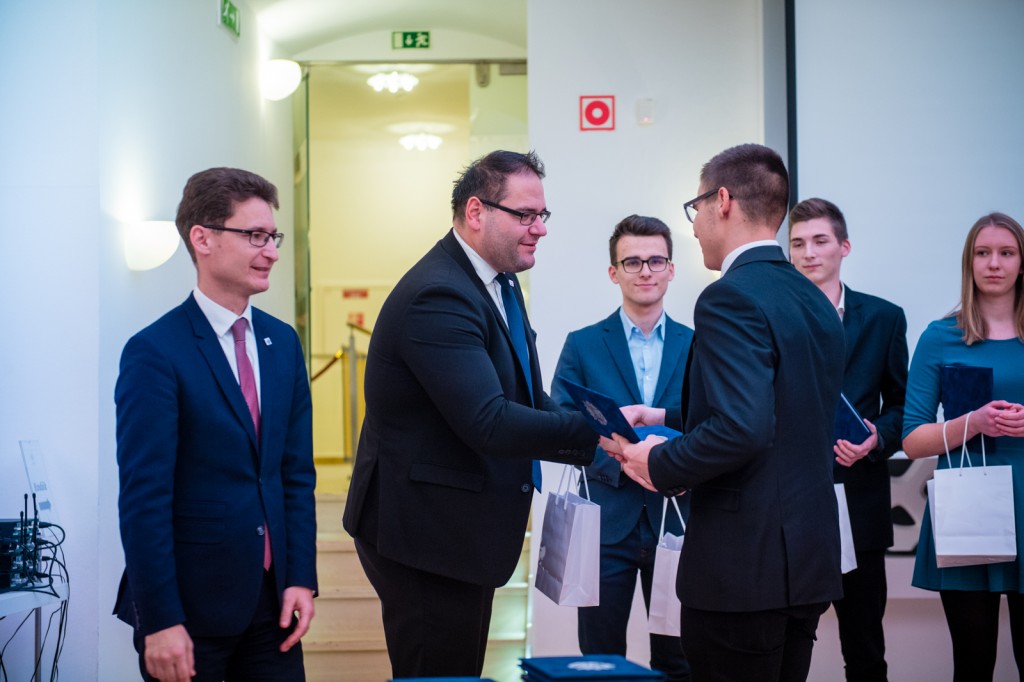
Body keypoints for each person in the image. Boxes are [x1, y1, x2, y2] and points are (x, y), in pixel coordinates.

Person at [342, 149, 597, 679]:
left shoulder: (500, 281)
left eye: (542, 215)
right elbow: (490, 421)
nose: (540, 229)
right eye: (525, 215)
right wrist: (594, 435)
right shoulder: (439, 294)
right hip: (426, 534)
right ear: (476, 211)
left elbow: (527, 397)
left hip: (462, 528)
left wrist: (607, 430)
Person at [603, 143, 847, 682]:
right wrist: (663, 415)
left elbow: (742, 428)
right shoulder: (814, 299)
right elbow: (780, 407)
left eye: (695, 209)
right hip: (806, 559)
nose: (693, 228)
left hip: (743, 568)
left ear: (723, 201)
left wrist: (657, 462)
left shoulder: (729, 297)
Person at [114, 167, 317, 682]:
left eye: (273, 237)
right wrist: (160, 619)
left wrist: (300, 577)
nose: (271, 251)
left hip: (273, 603)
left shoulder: (283, 342)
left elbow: (294, 474)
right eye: (255, 236)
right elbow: (144, 497)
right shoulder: (155, 352)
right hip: (190, 608)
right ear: (202, 239)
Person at [551, 214, 693, 681]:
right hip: (604, 525)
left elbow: (712, 423)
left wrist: (675, 462)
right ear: (614, 272)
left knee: (680, 660)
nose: (645, 271)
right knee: (600, 660)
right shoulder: (583, 345)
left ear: (671, 269)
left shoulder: (702, 345)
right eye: (632, 262)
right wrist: (622, 460)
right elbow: (562, 426)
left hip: (679, 522)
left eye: (656, 260)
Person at [788, 197, 908, 682]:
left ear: (844, 247)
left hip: (859, 501)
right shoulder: (774, 315)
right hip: (790, 503)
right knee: (787, 644)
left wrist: (877, 438)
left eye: (820, 241)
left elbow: (902, 406)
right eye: (798, 243)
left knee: (864, 650)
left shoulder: (883, 318)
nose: (808, 253)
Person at [903, 212, 1024, 681]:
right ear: (968, 262)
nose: (994, 263)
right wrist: (973, 423)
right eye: (983, 252)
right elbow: (912, 439)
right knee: (972, 666)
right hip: (969, 513)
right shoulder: (940, 337)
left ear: (1021, 262)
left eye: (1006, 253)